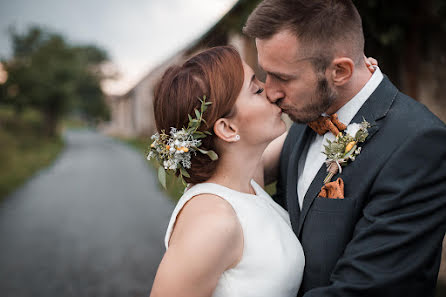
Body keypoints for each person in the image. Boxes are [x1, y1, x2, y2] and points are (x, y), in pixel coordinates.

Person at [242, 0, 446, 296]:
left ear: (340, 71)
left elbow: (365, 289)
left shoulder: (418, 144)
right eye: (266, 73)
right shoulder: (306, 117)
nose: (271, 92)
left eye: (284, 78)